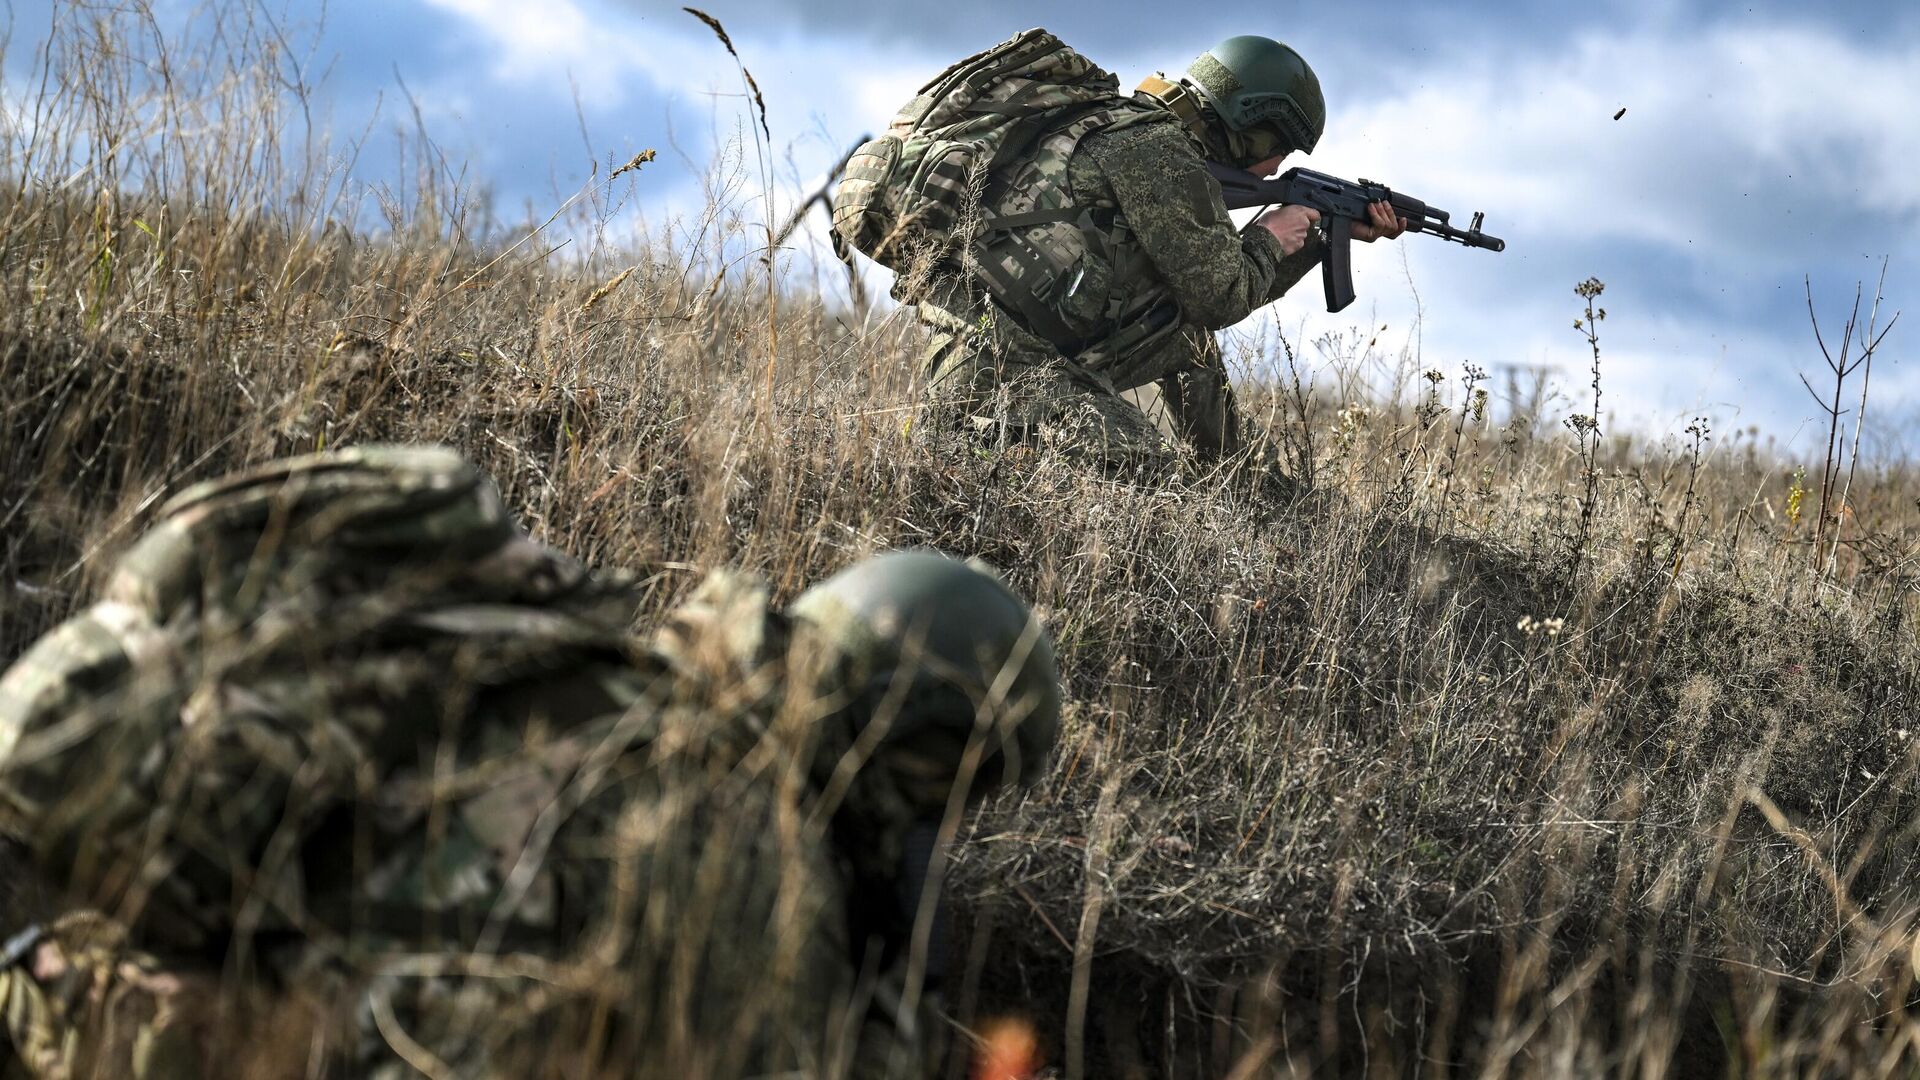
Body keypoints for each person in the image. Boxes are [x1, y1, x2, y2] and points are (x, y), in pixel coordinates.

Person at [0, 444, 1061, 1078]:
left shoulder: (580, 680)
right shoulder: (747, 856)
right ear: (915, 744)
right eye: (958, 793)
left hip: (75, 1015)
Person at [866, 32, 1406, 465]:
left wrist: (1318, 236)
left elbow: (1207, 295)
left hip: (1000, 350)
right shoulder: (1160, 155)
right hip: (1006, 376)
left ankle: (1232, 477)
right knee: (1149, 468)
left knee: (1186, 335)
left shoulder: (1130, 125)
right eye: (1279, 149)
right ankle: (986, 440)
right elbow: (1224, 295)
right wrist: (1271, 234)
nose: (1275, 167)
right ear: (1252, 125)